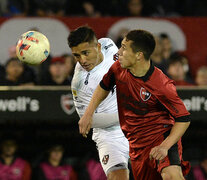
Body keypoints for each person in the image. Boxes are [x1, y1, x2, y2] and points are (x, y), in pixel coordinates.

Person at [79, 29, 191, 180]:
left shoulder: (161, 85)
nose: (118, 52)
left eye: (124, 48)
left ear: (139, 55)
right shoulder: (118, 68)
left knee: (172, 176)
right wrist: (88, 113)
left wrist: (165, 146)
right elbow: (103, 86)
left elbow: (183, 119)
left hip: (160, 137)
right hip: (136, 145)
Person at [68, 26, 129, 180]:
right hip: (110, 133)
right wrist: (125, 116)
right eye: (76, 56)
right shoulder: (79, 82)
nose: (82, 60)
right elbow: (89, 121)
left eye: (85, 53)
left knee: (169, 173)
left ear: (98, 46)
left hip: (139, 124)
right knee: (119, 176)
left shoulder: (108, 44)